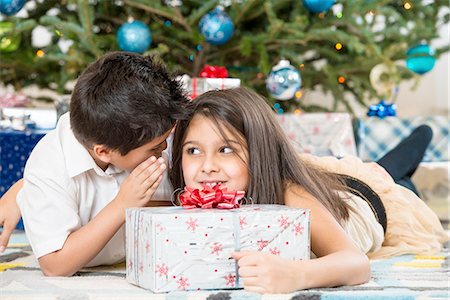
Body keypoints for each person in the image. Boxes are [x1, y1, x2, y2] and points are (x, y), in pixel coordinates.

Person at [169, 87, 448, 293]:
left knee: (394, 181)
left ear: (259, 152)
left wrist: (296, 274)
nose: (207, 166)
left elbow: (356, 263)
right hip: (324, 182)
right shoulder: (189, 195)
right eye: (193, 150)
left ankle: (414, 148)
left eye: (225, 149)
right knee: (384, 169)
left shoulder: (293, 197)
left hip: (365, 201)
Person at [0, 51, 189, 276]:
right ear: (104, 152)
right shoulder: (51, 165)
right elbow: (54, 266)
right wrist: (122, 206)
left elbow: (176, 205)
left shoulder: (147, 130)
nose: (165, 150)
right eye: (155, 147)